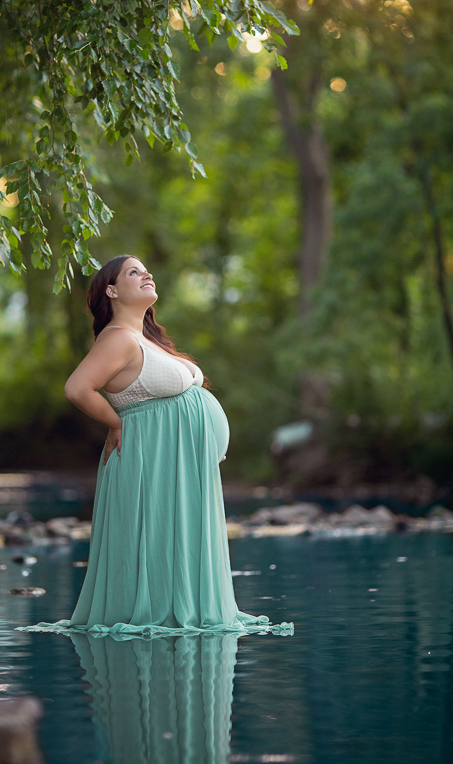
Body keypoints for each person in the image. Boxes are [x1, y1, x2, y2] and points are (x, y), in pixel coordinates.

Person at [17, 255, 292, 638]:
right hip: (151, 458)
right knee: (155, 541)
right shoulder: (117, 339)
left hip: (179, 463)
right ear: (112, 291)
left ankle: (185, 610)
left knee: (177, 545)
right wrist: (114, 423)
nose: (146, 273)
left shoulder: (147, 340)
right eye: (133, 272)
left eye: (146, 269)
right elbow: (77, 388)